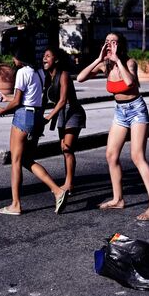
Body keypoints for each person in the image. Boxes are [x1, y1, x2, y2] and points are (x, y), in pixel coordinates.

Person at [76, 32, 149, 221]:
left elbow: (130, 82)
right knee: (111, 155)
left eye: (113, 42)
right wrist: (98, 59)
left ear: (120, 46)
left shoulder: (129, 62)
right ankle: (118, 199)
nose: (109, 45)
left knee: (137, 156)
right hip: (120, 112)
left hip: (136, 110)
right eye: (107, 41)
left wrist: (117, 61)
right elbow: (81, 78)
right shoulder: (104, 65)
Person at [0, 45, 68, 216]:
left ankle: (15, 204)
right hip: (36, 116)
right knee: (27, 159)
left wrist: (3, 109)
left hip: (23, 116)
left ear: (20, 57)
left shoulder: (22, 72)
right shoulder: (40, 73)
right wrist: (9, 100)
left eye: (14, 57)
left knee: (15, 161)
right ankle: (57, 191)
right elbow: (31, 97)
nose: (13, 60)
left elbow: (17, 102)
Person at [40, 47, 86, 195]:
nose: (44, 59)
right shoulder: (48, 77)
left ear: (57, 60)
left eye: (48, 56)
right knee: (64, 149)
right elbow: (44, 101)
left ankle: (69, 184)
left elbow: (63, 100)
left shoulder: (64, 75)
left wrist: (48, 118)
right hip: (62, 114)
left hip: (73, 113)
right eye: (43, 56)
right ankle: (69, 181)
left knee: (67, 149)